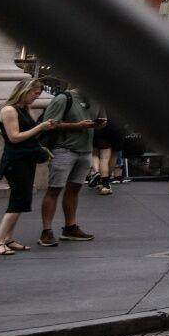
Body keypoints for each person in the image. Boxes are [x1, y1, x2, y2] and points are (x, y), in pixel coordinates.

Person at [0, 79, 58, 256]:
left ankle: (8, 238)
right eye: (34, 94)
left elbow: (27, 135)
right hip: (15, 160)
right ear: (24, 91)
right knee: (18, 200)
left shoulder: (24, 109)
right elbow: (14, 137)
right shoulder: (9, 110)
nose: (36, 97)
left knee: (22, 200)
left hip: (25, 159)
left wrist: (42, 128)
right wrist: (40, 127)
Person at [37, 81, 99, 246]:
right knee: (54, 189)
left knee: (74, 189)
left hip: (85, 150)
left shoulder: (97, 101)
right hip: (63, 150)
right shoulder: (64, 98)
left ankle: (70, 227)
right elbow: (48, 124)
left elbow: (98, 118)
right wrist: (76, 126)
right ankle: (46, 231)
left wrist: (101, 123)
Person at [89, 106, 122, 194]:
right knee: (114, 155)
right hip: (117, 125)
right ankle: (105, 184)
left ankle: (97, 174)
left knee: (98, 154)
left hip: (101, 124)